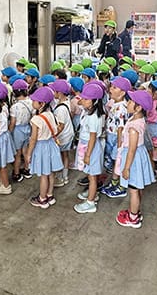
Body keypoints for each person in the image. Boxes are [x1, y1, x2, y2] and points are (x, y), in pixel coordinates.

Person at [116, 90, 156, 228]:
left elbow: (132, 149)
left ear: (138, 108)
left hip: (133, 158)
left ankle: (133, 218)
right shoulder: (137, 119)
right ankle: (135, 211)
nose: (128, 103)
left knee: (133, 189)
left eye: (131, 101)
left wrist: (126, 168)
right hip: (138, 155)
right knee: (137, 187)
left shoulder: (134, 127)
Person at [24, 87, 63, 209]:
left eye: (34, 100)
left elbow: (33, 139)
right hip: (51, 145)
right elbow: (56, 129)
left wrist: (28, 154)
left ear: (42, 103)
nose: (32, 102)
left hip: (41, 148)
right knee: (50, 173)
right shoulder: (50, 114)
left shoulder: (36, 119)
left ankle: (42, 199)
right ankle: (50, 195)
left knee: (43, 175)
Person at [74, 83, 107, 214]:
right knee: (89, 173)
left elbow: (93, 137)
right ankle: (92, 194)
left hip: (91, 146)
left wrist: (88, 154)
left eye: (87, 99)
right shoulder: (89, 110)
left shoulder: (94, 116)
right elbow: (79, 102)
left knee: (92, 176)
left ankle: (90, 202)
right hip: (86, 144)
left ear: (95, 101)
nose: (83, 100)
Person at [100, 76, 130, 198]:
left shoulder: (122, 107)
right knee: (114, 162)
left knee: (119, 162)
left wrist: (119, 146)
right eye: (111, 86)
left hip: (118, 139)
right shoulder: (115, 103)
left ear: (122, 93)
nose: (110, 89)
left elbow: (120, 128)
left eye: (114, 87)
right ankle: (114, 182)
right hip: (111, 135)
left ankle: (121, 187)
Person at [50, 79, 75, 187]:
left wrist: (52, 134)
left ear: (59, 93)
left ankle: (59, 178)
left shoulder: (60, 109)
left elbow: (60, 126)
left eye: (54, 91)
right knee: (65, 155)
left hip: (63, 137)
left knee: (59, 156)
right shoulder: (67, 102)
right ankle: (65, 176)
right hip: (69, 134)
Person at [9, 79, 33, 183]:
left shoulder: (15, 107)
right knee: (26, 150)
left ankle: (16, 173)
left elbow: (13, 122)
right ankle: (27, 170)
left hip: (17, 131)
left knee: (17, 154)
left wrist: (9, 131)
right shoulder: (31, 102)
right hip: (27, 128)